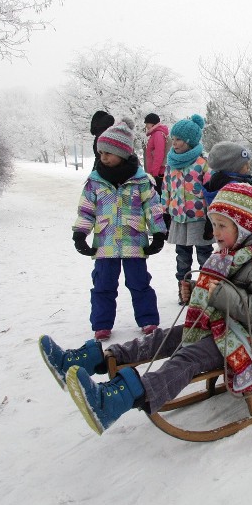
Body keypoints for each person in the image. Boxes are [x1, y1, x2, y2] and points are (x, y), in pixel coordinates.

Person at [39, 183, 252, 435]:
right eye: (214, 225)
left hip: (244, 337)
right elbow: (220, 290)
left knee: (188, 357)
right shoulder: (229, 253)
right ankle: (94, 359)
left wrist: (219, 295)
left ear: (244, 226)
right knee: (164, 338)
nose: (215, 232)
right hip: (217, 325)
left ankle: (118, 400)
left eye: (222, 226)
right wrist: (195, 290)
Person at [72, 119, 167, 341]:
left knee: (140, 283)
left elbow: (152, 207)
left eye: (109, 152)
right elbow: (86, 210)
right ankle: (102, 324)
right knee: (103, 285)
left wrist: (159, 233)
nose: (103, 156)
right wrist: (80, 234)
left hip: (134, 242)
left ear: (123, 153)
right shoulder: (95, 182)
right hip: (105, 244)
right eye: (101, 152)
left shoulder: (141, 180)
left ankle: (148, 320)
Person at [161, 114, 214, 304]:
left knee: (204, 255)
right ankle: (184, 289)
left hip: (199, 219)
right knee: (182, 257)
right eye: (173, 139)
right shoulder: (171, 164)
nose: (174, 143)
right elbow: (166, 188)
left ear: (190, 141)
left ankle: (206, 288)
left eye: (179, 139)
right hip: (179, 219)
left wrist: (211, 216)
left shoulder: (202, 165)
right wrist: (165, 211)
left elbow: (210, 191)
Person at [200, 141, 252, 243]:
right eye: (245, 164)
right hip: (239, 231)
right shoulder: (234, 186)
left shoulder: (217, 180)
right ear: (234, 166)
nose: (249, 168)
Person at [143, 112, 169, 195]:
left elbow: (159, 154)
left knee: (158, 197)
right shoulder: (154, 134)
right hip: (155, 172)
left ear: (153, 123)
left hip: (158, 173)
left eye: (147, 123)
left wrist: (155, 173)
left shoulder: (158, 134)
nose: (146, 126)